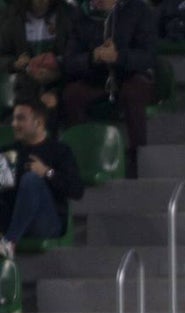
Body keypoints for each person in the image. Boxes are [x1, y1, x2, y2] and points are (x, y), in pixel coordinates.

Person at [60, 0, 156, 179]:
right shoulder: (81, 15)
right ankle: (81, 157)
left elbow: (147, 57)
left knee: (133, 92)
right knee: (72, 95)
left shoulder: (139, 10)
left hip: (131, 76)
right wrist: (92, 57)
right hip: (97, 79)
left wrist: (118, 57)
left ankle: (137, 159)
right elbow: (70, 62)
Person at [0, 99, 83, 260]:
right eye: (14, 119)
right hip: (12, 219)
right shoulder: (7, 152)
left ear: (38, 123)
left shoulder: (60, 151)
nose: (14, 124)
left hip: (46, 222)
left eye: (20, 119)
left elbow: (77, 191)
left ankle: (9, 242)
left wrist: (47, 172)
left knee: (31, 179)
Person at [0, 0, 74, 114]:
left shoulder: (68, 14)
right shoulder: (12, 16)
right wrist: (15, 64)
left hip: (61, 87)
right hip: (23, 88)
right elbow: (2, 55)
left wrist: (58, 71)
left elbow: (77, 56)